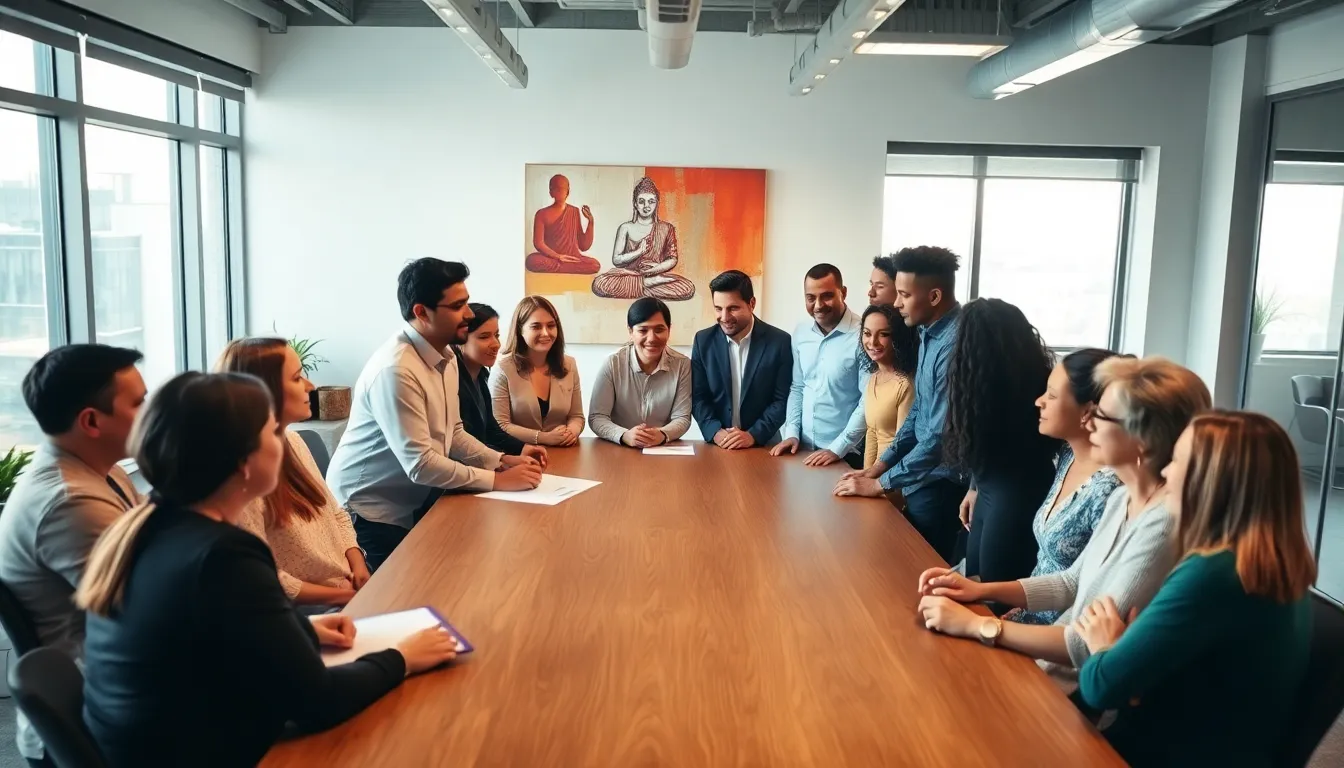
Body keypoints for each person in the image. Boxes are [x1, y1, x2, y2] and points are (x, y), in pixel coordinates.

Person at [76, 372, 461, 767]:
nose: (282, 441)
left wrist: (299, 630)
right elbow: (319, 700)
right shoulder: (223, 555)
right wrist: (403, 657)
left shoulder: (151, 522)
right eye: (270, 431)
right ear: (243, 461)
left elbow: (200, 639)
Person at [915, 356, 1211, 690]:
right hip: (1054, 671)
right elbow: (1070, 583)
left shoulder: (1162, 523)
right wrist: (979, 590)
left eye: (1102, 415)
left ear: (1142, 438)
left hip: (1077, 693)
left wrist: (977, 627)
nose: (1090, 423)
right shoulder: (1123, 498)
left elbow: (1088, 645)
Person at [1073, 411, 1315, 767]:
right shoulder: (1277, 568)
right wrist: (1127, 667)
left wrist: (1104, 647)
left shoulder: (1213, 574)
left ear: (1211, 480)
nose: (1167, 472)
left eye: (1177, 461)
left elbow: (1100, 687)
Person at [327, 259, 544, 570]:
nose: (469, 315)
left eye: (467, 302)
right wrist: (497, 480)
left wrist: (501, 460)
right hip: (366, 512)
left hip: (406, 503)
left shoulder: (446, 355)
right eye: (458, 306)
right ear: (421, 312)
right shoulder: (397, 370)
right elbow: (420, 464)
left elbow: (453, 433)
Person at [0, 344, 145, 768]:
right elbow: (150, 610)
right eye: (139, 403)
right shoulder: (69, 501)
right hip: (94, 712)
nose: (151, 413)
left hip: (116, 686)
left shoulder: (103, 469)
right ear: (91, 421)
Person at [216, 338, 371, 608]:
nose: (310, 387)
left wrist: (357, 561)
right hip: (315, 609)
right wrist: (344, 596)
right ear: (264, 390)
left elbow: (335, 511)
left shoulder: (295, 442)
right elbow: (265, 578)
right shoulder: (243, 476)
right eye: (298, 378)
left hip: (346, 587)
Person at [833, 246, 965, 562]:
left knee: (918, 572)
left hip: (939, 483)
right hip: (917, 477)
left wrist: (882, 482)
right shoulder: (928, 334)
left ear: (934, 297)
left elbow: (936, 436)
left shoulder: (956, 344)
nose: (895, 302)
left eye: (904, 294)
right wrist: (877, 469)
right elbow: (919, 414)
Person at [944, 298, 1059, 584]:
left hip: (1016, 494)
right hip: (988, 490)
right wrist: (973, 487)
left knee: (995, 590)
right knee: (976, 576)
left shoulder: (1036, 386)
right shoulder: (974, 383)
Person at [1007, 349, 1123, 626]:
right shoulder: (1067, 456)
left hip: (1059, 639)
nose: (1039, 402)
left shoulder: (1109, 489)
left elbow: (1084, 591)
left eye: (1052, 395)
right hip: (1029, 617)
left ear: (1088, 411)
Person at [771, 264, 868, 469]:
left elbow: (867, 401)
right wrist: (791, 433)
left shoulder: (864, 335)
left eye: (826, 296)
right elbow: (798, 387)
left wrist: (837, 448)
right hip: (802, 450)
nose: (818, 305)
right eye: (810, 298)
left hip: (845, 454)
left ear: (843, 293)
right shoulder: (801, 332)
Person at [691, 270, 792, 450]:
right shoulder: (702, 341)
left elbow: (781, 400)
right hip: (718, 445)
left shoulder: (780, 342)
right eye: (718, 308)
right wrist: (715, 431)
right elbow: (699, 397)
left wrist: (753, 435)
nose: (724, 317)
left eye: (733, 308)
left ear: (751, 303)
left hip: (764, 446)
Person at [588, 297, 693, 447]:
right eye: (643, 330)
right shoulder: (613, 363)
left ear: (669, 330)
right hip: (619, 447)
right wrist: (624, 435)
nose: (651, 338)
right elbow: (597, 417)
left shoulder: (682, 365)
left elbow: (682, 417)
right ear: (631, 331)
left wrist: (662, 434)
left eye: (659, 330)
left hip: (661, 449)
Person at [451, 302, 545, 460]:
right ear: (460, 340)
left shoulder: (481, 375)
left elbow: (491, 430)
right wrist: (503, 460)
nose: (496, 344)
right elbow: (463, 445)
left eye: (496, 335)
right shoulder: (452, 381)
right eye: (484, 337)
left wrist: (523, 448)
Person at [491, 295, 587, 447]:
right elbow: (501, 425)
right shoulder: (503, 370)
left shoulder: (569, 364)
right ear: (520, 330)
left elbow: (576, 416)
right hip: (517, 453)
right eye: (536, 326)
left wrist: (571, 432)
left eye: (551, 325)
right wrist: (543, 437)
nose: (545, 333)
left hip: (563, 452)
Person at [590, 176, 695, 301]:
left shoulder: (666, 228)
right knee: (600, 284)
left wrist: (656, 269)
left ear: (657, 203)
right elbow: (617, 260)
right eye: (641, 201)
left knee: (687, 288)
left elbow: (672, 258)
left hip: (655, 273)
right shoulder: (625, 227)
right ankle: (647, 284)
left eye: (651, 201)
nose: (646, 206)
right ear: (635, 203)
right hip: (629, 274)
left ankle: (641, 285)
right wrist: (638, 252)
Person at [857, 304, 918, 477]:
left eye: (883, 334)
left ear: (897, 338)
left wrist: (873, 481)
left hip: (893, 478)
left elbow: (901, 446)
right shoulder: (873, 378)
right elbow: (872, 433)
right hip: (872, 478)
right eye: (867, 333)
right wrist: (864, 475)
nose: (872, 342)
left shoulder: (905, 384)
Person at [525, 173, 600, 275]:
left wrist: (590, 222)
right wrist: (558, 256)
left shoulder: (574, 211)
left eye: (563, 188)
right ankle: (566, 267)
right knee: (531, 261)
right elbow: (539, 243)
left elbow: (583, 246)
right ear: (551, 192)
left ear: (568, 192)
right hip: (551, 258)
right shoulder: (541, 214)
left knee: (595, 265)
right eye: (556, 188)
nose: (560, 191)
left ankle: (563, 267)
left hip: (572, 258)